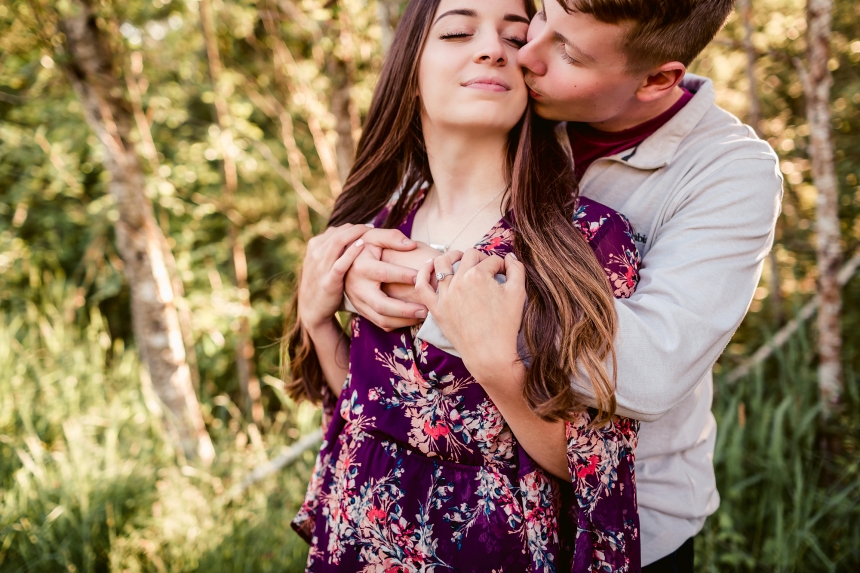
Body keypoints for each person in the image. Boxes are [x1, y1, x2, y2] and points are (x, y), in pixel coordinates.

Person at [342, 0, 784, 571]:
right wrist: (350, 269)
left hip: (626, 523)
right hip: (431, 514)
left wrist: (431, 282)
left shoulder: (727, 173)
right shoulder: (516, 110)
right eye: (540, 17)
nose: (523, 54)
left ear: (656, 80)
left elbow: (650, 369)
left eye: (568, 53)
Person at [284, 0, 645, 570]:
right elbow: (368, 411)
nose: (491, 48)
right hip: (363, 542)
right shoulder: (380, 226)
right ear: (410, 68)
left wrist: (499, 369)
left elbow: (594, 471)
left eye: (514, 36)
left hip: (492, 550)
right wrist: (317, 320)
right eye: (457, 31)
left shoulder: (584, 241)